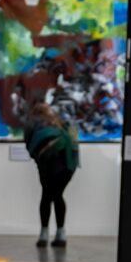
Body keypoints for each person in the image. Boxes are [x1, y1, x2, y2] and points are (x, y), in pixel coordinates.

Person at [24, 100, 79, 247]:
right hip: (67, 165)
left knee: (47, 195)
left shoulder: (32, 123)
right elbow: (74, 143)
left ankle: (44, 234)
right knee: (57, 195)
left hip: (47, 166)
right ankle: (60, 233)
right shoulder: (61, 122)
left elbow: (30, 146)